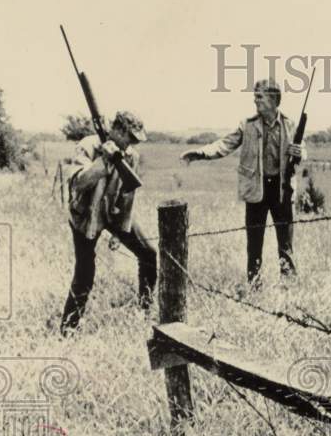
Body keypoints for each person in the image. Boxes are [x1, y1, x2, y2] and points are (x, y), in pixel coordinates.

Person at [180, 78, 304, 282]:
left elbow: (302, 150)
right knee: (254, 245)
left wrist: (300, 152)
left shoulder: (290, 125)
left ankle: (289, 288)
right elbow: (225, 144)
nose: (255, 101)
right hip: (256, 190)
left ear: (274, 99)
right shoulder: (247, 125)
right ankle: (254, 287)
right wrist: (200, 153)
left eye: (260, 97)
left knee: (286, 245)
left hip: (282, 191)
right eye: (255, 96)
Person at [60, 111, 155, 335]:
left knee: (149, 254)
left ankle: (144, 310)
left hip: (112, 213)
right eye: (130, 137)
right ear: (118, 131)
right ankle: (68, 330)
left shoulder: (131, 155)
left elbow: (127, 195)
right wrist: (103, 160)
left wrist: (119, 231)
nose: (132, 144)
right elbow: (78, 183)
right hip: (85, 216)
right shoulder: (89, 146)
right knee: (85, 273)